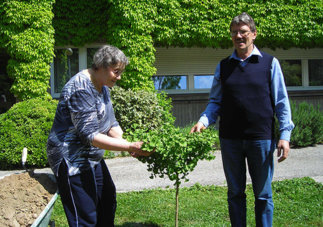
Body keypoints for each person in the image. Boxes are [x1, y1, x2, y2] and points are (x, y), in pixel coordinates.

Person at [191, 12, 294, 227]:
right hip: (230, 140)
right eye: (235, 32)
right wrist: (203, 121)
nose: (239, 36)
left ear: (253, 34)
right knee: (235, 193)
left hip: (261, 139)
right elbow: (215, 101)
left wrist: (285, 134)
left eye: (243, 32)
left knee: (263, 195)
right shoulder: (224, 66)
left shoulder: (269, 63)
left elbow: (281, 102)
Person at [47, 45, 152, 227]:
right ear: (101, 66)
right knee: (85, 216)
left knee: (107, 200)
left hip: (92, 157)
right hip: (72, 160)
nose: (119, 77)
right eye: (116, 72)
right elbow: (91, 136)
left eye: (121, 72)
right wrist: (129, 147)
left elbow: (111, 124)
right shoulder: (81, 89)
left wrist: (128, 143)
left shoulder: (102, 87)